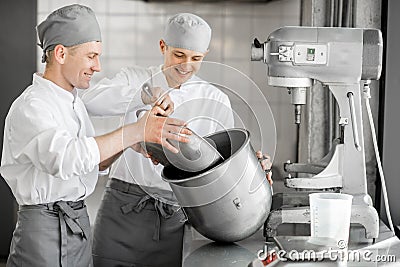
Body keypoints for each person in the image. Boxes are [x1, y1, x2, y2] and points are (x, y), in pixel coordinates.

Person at [0, 5, 190, 267]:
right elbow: (66, 159)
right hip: (44, 230)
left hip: (77, 225)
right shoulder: (33, 105)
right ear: (61, 53)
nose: (97, 67)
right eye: (91, 56)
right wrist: (134, 130)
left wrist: (132, 142)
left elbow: (93, 163)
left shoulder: (73, 103)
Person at [82, 13, 272, 267]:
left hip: (176, 214)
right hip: (122, 207)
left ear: (205, 54)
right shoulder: (134, 79)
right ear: (163, 46)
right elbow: (90, 101)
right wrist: (143, 96)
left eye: (196, 58)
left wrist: (252, 168)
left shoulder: (215, 100)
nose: (186, 66)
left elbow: (224, 167)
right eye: (179, 55)